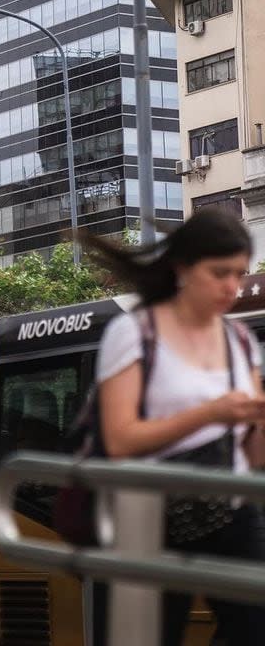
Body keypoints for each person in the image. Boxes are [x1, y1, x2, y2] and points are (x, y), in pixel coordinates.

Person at [85, 210, 265, 645]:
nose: (231, 287)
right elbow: (121, 440)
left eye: (239, 273)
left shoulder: (240, 340)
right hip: (150, 516)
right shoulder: (135, 333)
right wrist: (210, 414)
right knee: (149, 635)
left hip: (233, 509)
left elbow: (255, 455)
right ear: (183, 266)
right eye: (219, 272)